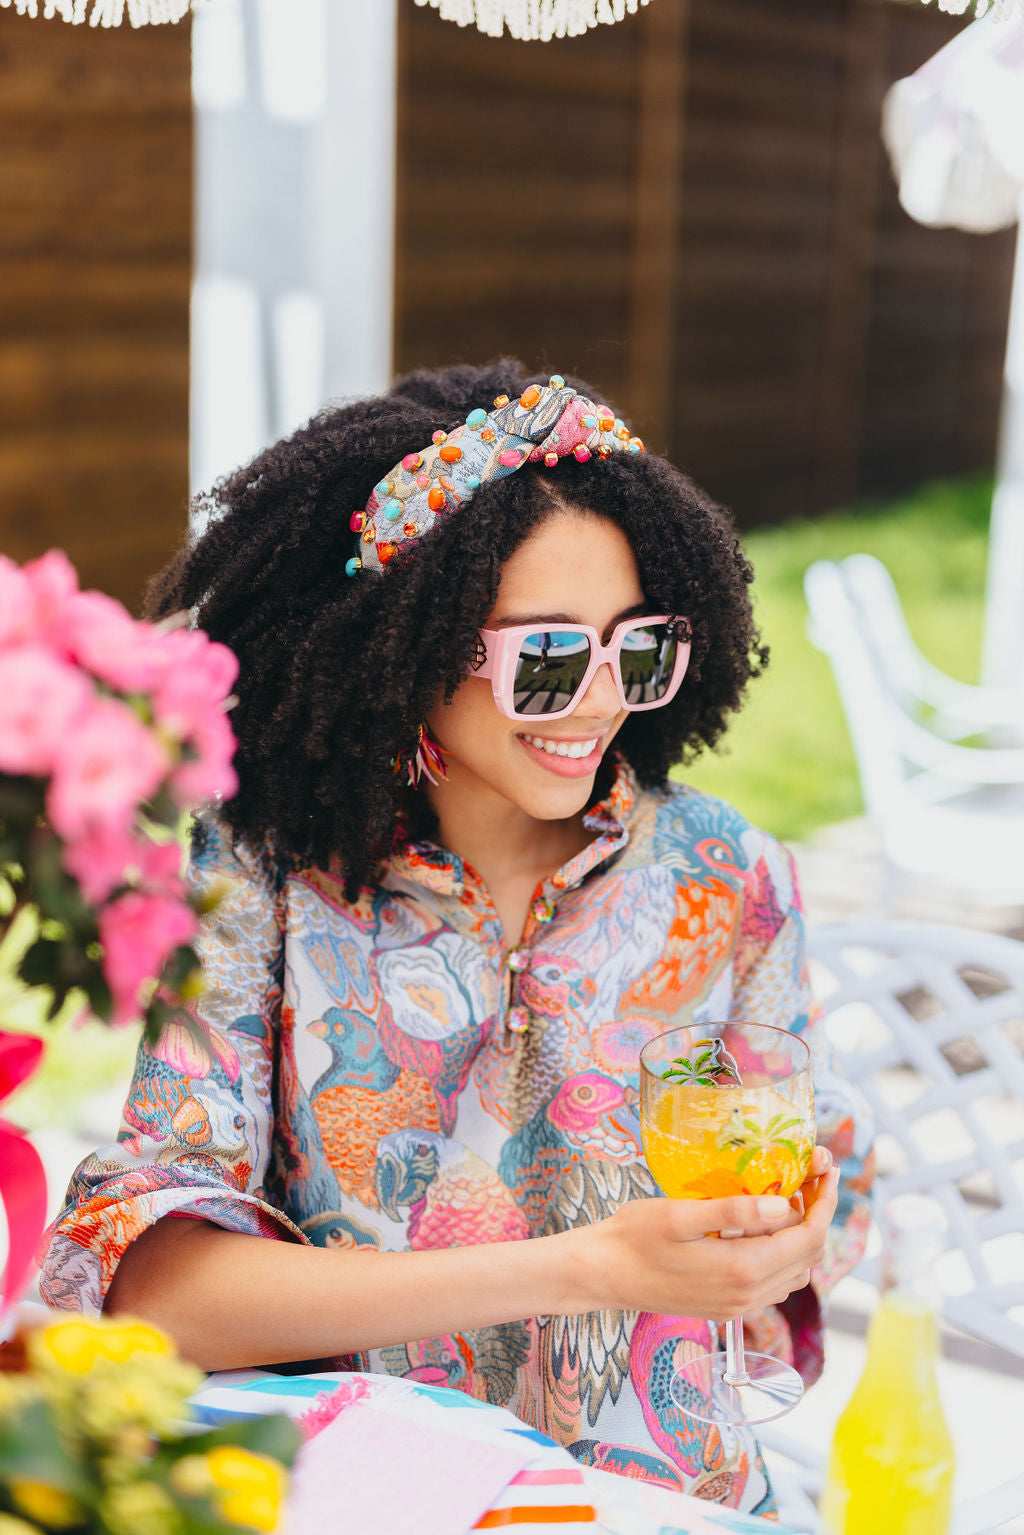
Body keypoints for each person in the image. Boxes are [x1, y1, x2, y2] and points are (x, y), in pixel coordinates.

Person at [41, 361, 872, 1514]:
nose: (597, 704)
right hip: (368, 1496)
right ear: (412, 644)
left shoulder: (727, 872)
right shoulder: (267, 870)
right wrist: (587, 1266)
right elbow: (159, 1293)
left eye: (638, 649)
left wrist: (788, 1242)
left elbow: (820, 1195)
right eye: (544, 660)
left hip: (667, 1502)